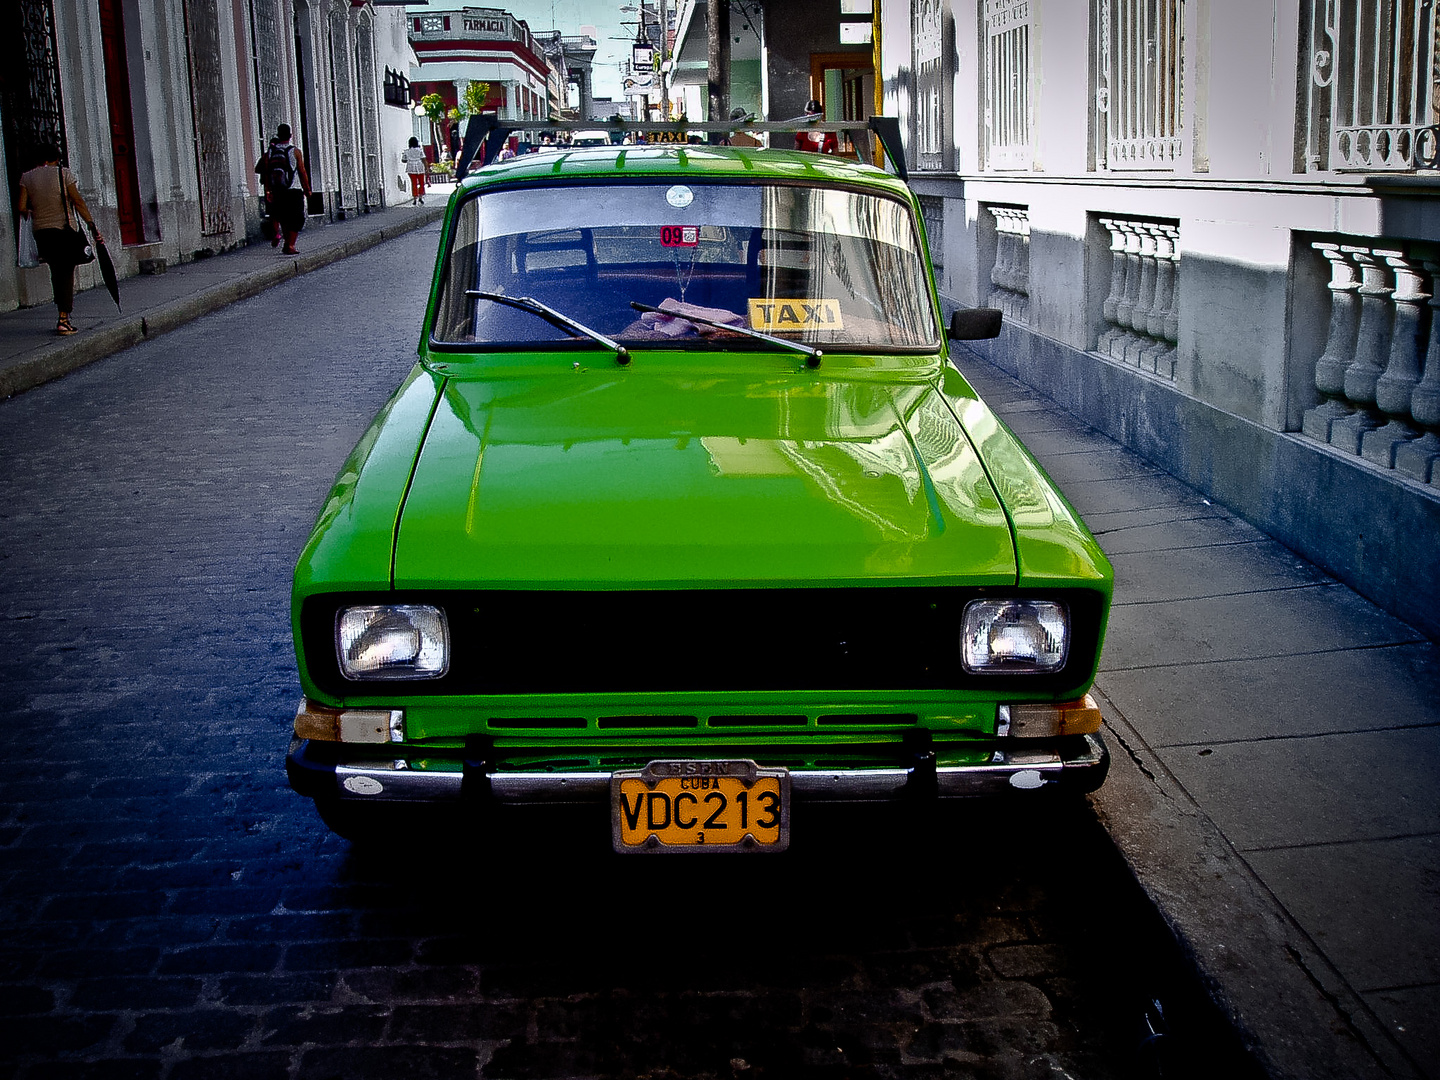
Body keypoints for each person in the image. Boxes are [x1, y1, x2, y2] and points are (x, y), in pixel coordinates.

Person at [17, 143, 103, 336]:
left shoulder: (26, 177)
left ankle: (62, 313)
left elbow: (21, 207)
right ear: (54, 159)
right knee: (66, 273)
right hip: (64, 231)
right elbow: (78, 201)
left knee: (56, 271)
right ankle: (63, 319)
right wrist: (91, 224)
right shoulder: (63, 174)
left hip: (42, 232)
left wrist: (34, 211)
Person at [255, 123, 311, 255]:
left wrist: (268, 190)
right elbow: (302, 172)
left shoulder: (270, 152)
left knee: (284, 217)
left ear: (278, 135)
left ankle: (287, 243)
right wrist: (307, 189)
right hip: (294, 188)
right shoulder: (295, 151)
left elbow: (267, 172)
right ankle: (290, 245)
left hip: (278, 190)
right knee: (296, 218)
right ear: (290, 136)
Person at [402, 136, 428, 204]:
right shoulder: (420, 150)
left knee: (414, 183)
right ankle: (420, 196)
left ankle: (414, 198)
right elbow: (424, 159)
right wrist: (426, 168)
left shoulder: (406, 151)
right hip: (419, 167)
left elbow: (403, 160)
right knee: (421, 183)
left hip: (410, 167)